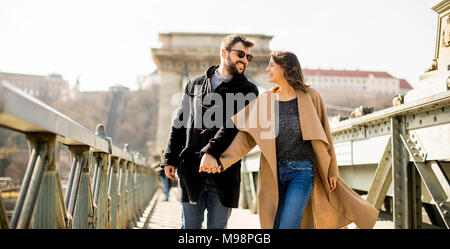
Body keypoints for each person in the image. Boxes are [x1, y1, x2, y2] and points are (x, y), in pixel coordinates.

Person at [199, 50, 379, 229]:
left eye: (271, 65)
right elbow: (245, 139)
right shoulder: (265, 101)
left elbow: (325, 133)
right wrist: (219, 160)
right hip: (274, 173)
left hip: (302, 172)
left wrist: (332, 170)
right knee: (275, 225)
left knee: (289, 225)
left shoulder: (311, 96)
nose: (267, 69)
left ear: (285, 68)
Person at [160, 34, 259, 229]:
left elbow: (233, 126)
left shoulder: (249, 90)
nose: (244, 60)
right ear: (224, 53)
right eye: (240, 54)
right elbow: (179, 123)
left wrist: (211, 153)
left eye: (248, 57)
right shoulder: (194, 84)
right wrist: (170, 158)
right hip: (191, 170)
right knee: (189, 228)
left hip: (224, 172)